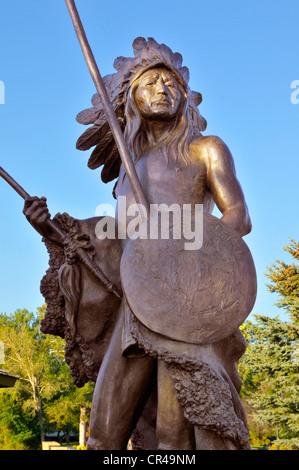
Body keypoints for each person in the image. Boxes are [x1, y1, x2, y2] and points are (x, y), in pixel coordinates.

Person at [23, 38, 255, 450]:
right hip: (136, 303)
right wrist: (50, 230)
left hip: (184, 300)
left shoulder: (207, 149)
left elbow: (238, 218)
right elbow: (114, 241)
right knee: (104, 431)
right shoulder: (129, 172)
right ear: (131, 101)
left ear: (185, 97)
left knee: (175, 431)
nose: (163, 89)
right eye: (150, 84)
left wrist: (186, 253)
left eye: (171, 83)